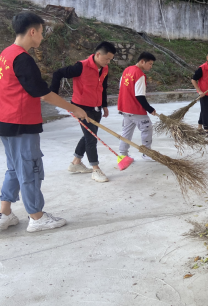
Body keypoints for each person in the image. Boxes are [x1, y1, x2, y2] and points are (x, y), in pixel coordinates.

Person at [0, 12, 88, 233]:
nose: (42, 36)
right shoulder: (22, 59)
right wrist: (75, 108)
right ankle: (36, 217)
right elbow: (43, 93)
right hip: (21, 123)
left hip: (6, 121)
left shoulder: (5, 54)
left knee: (14, 168)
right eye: (41, 31)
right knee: (30, 169)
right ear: (32, 31)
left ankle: (5, 213)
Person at [50, 42, 115, 183]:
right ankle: (95, 169)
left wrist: (104, 105)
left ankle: (75, 163)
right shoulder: (81, 66)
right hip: (81, 108)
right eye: (107, 59)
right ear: (98, 54)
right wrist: (53, 94)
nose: (108, 62)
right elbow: (58, 73)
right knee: (91, 137)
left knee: (89, 134)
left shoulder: (104, 68)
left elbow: (103, 86)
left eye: (110, 59)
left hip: (96, 108)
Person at [118, 52, 159, 161]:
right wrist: (150, 109)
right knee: (147, 129)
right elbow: (140, 96)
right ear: (142, 61)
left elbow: (121, 86)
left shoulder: (127, 70)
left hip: (125, 108)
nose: (151, 66)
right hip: (135, 109)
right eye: (150, 64)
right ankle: (146, 153)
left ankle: (123, 155)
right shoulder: (140, 75)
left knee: (126, 131)